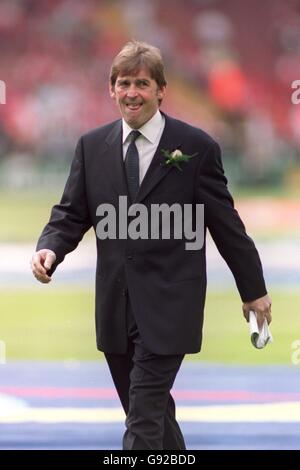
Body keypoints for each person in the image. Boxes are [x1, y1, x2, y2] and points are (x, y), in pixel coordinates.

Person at [31, 40, 272, 450]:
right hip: (115, 308)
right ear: (111, 89)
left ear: (162, 90)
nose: (132, 93)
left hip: (169, 307)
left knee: (141, 424)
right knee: (152, 417)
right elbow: (71, 213)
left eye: (142, 83)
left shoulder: (196, 148)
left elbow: (227, 227)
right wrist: (50, 248)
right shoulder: (91, 147)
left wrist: (254, 290)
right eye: (124, 83)